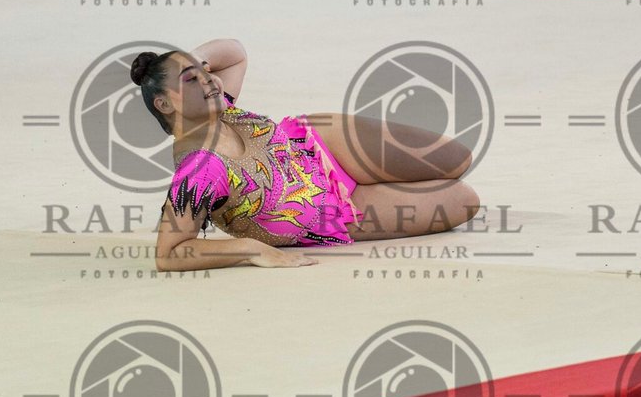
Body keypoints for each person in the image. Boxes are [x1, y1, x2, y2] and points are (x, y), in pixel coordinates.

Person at [131, 39, 483, 270]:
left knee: (457, 158)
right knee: (464, 200)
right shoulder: (198, 170)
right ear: (164, 104)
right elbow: (169, 252)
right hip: (338, 213)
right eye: (191, 80)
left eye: (205, 73)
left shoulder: (218, 108)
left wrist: (186, 62)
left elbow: (234, 53)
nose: (209, 81)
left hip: (325, 144)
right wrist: (251, 250)